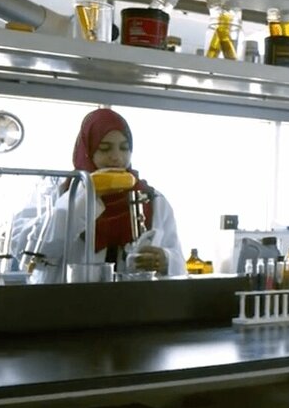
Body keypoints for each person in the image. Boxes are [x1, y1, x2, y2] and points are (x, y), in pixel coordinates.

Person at [22, 107, 185, 282]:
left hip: (132, 297)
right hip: (69, 296)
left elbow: (179, 264)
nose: (116, 157)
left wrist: (165, 259)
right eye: (105, 149)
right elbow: (28, 254)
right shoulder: (56, 192)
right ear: (87, 151)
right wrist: (85, 198)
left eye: (124, 148)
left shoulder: (152, 200)